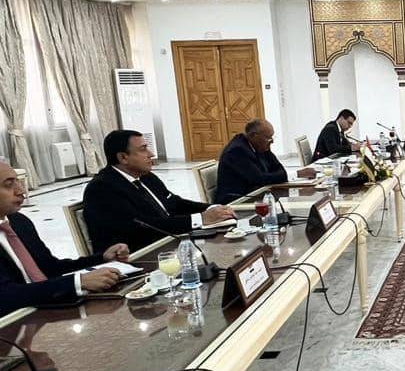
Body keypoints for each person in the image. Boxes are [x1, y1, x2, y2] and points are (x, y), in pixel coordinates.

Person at [0, 162, 128, 315]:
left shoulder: (19, 222)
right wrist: (77, 282)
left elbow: (51, 267)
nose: (21, 191)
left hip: (50, 306)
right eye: (9, 185)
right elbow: (5, 295)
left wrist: (101, 258)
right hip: (14, 319)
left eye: (18, 182)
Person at [83, 130, 236, 253]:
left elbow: (175, 203)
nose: (151, 154)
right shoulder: (102, 188)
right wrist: (200, 219)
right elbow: (144, 227)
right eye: (143, 149)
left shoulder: (146, 176)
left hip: (169, 242)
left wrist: (213, 209)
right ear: (123, 157)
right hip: (138, 256)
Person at [214, 119, 288, 205]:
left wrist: (273, 175)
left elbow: (282, 173)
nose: (272, 141)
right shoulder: (237, 150)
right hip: (236, 201)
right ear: (254, 136)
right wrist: (275, 175)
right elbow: (260, 179)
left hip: (255, 194)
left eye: (272, 137)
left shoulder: (260, 146)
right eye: (268, 137)